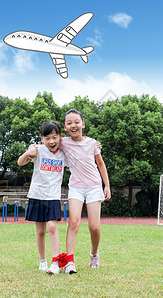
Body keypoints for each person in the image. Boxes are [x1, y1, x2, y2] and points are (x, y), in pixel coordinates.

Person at [60, 109, 111, 274]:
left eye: (76, 122)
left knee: (94, 227)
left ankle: (94, 254)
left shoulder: (92, 143)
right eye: (69, 123)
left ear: (83, 124)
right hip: (75, 187)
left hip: (94, 187)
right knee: (73, 221)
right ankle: (69, 262)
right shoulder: (63, 142)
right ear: (65, 128)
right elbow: (49, 141)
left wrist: (107, 185)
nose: (73, 125)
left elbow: (101, 164)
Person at [17, 121, 67, 275]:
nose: (51, 141)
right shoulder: (37, 150)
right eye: (47, 138)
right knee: (40, 232)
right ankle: (42, 261)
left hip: (53, 196)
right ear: (42, 139)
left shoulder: (65, 152)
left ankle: (55, 262)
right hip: (37, 194)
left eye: (54, 137)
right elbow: (20, 163)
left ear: (60, 137)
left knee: (52, 227)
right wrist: (28, 152)